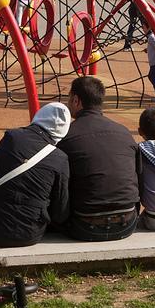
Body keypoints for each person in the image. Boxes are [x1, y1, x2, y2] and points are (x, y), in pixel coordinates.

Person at [0, 103, 71, 247]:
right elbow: (60, 210)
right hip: (29, 233)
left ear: (39, 116)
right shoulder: (60, 158)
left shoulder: (12, 137)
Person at [57, 76, 142, 241]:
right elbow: (139, 177)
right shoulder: (124, 132)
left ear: (76, 100)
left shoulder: (65, 135)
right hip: (128, 222)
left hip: (84, 224)